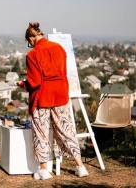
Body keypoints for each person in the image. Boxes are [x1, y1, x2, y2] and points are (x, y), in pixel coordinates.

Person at [16, 22, 89, 180]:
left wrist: (22, 84)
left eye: (29, 42)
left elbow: (34, 83)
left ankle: (43, 171)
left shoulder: (32, 55)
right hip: (61, 95)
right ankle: (80, 166)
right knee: (66, 130)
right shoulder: (59, 48)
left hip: (43, 98)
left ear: (31, 38)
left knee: (41, 133)